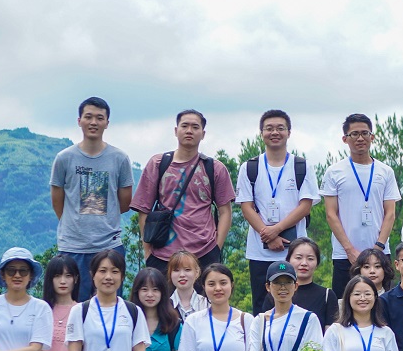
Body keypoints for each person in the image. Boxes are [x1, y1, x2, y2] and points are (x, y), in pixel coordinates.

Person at [49, 97, 134, 299]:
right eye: (88, 117)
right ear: (79, 121)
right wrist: (74, 222)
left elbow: (125, 203)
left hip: (109, 246)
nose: (93, 122)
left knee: (109, 305)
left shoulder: (120, 158)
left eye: (99, 118)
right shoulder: (64, 158)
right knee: (71, 306)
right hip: (72, 247)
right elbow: (58, 201)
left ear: (107, 123)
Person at [134, 109, 236, 273]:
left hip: (204, 252)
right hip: (162, 253)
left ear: (203, 134)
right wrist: (148, 252)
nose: (189, 131)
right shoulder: (158, 164)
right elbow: (143, 209)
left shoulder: (214, 168)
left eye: (195, 127)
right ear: (176, 131)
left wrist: (216, 247)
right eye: (184, 126)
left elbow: (225, 211)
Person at [240, 110, 317, 310]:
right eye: (269, 128)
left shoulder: (302, 166)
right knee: (261, 306)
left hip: (294, 252)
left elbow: (305, 206)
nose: (275, 132)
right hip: (259, 251)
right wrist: (267, 235)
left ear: (289, 132)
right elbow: (246, 207)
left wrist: (275, 230)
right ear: (261, 133)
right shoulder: (249, 167)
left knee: (296, 303)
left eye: (280, 128)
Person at [323, 113, 400, 301]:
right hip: (345, 254)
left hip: (380, 253)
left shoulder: (385, 171)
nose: (360, 138)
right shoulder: (334, 172)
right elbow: (331, 214)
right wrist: (349, 250)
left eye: (365, 133)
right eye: (354, 134)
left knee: (382, 304)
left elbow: (390, 213)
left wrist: (378, 248)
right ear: (345, 139)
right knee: (345, 304)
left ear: (372, 137)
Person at [284, 238, 339, 325]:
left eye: (310, 259)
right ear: (288, 261)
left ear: (317, 263)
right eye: (298, 258)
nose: (304, 263)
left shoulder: (327, 295)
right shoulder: (278, 293)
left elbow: (331, 330)